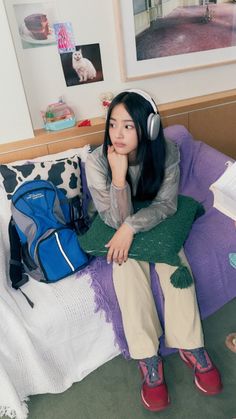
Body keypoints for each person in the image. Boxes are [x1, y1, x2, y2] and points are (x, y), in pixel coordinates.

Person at [85, 89, 222, 412]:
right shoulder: (97, 162)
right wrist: (118, 177)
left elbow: (166, 204)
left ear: (149, 128)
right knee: (124, 265)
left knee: (176, 263)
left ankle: (192, 346)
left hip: (152, 217)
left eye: (128, 126)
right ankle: (147, 358)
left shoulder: (168, 151)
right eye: (113, 125)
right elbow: (114, 217)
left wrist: (132, 227)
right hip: (112, 217)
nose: (117, 134)